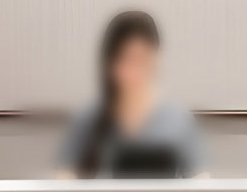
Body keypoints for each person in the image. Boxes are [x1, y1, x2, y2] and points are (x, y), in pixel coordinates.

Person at [56, 10, 206, 178]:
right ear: (109, 63)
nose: (132, 72)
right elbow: (65, 179)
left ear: (155, 59)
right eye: (125, 60)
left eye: (141, 60)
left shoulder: (177, 118)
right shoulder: (89, 117)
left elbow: (199, 181)